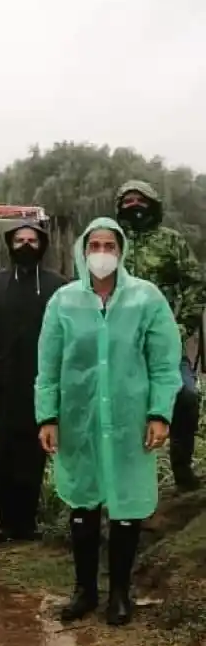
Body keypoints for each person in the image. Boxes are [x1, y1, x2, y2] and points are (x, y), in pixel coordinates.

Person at [36, 217, 181, 626]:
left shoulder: (146, 299)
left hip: (129, 420)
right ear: (83, 251)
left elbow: (165, 363)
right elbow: (47, 366)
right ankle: (85, 590)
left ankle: (119, 593)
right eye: (94, 245)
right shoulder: (63, 302)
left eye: (109, 245)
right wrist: (47, 415)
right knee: (82, 501)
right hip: (78, 418)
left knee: (126, 505)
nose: (102, 253)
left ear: (121, 251)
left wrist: (159, 413)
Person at [0, 220, 66, 544]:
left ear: (42, 245)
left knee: (34, 453)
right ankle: (6, 522)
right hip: (2, 385)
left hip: (41, 384)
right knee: (3, 452)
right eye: (19, 239)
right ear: (10, 245)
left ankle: (28, 522)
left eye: (32, 240)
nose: (25, 245)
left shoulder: (58, 286)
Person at [113, 180, 205, 491]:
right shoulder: (111, 243)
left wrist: (181, 327)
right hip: (118, 343)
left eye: (140, 199)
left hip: (164, 340)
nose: (134, 205)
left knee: (187, 396)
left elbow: (195, 283)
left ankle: (182, 469)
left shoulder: (171, 242)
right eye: (127, 201)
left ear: (152, 204)